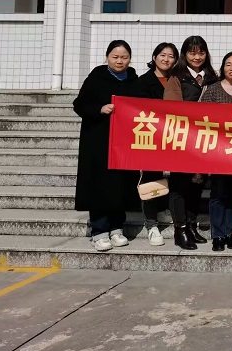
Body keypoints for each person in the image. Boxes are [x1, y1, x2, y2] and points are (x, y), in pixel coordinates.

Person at [73, 40, 139, 251]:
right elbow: (79, 105)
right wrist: (99, 109)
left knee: (120, 185)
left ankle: (116, 228)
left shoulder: (134, 80)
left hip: (123, 143)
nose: (120, 61)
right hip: (98, 141)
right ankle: (99, 231)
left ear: (130, 59)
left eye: (124, 57)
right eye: (115, 57)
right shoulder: (96, 78)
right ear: (107, 57)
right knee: (99, 185)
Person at [164, 36, 218, 250]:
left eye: (201, 52)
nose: (197, 57)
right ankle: (180, 229)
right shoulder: (177, 77)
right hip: (183, 140)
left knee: (197, 185)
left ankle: (192, 225)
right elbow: (172, 109)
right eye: (192, 53)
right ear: (184, 55)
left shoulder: (212, 78)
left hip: (204, 141)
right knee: (179, 185)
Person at [200, 52, 232, 252]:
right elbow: (200, 118)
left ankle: (231, 232)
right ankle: (218, 235)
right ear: (222, 68)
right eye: (228, 64)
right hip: (218, 152)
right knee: (218, 193)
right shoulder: (212, 90)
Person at [136, 42, 179, 246]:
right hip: (152, 135)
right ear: (154, 57)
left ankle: (166, 209)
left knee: (177, 177)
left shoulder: (178, 79)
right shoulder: (143, 81)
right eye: (162, 55)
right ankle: (151, 224)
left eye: (171, 56)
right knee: (151, 177)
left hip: (175, 135)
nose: (166, 59)